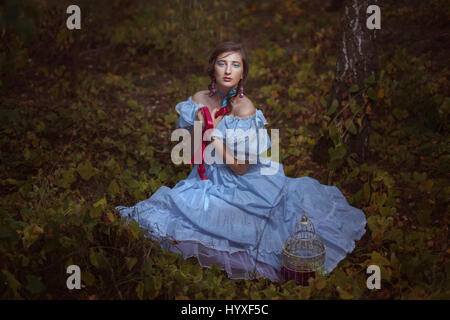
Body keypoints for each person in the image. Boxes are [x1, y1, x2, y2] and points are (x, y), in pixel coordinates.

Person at [115, 41, 366, 283]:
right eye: (222, 63)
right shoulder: (199, 100)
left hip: (242, 182)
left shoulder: (245, 109)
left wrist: (215, 139)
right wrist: (198, 129)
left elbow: (241, 167)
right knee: (167, 215)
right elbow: (191, 154)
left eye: (235, 65)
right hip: (205, 177)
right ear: (212, 66)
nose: (228, 70)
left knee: (250, 226)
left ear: (243, 72)